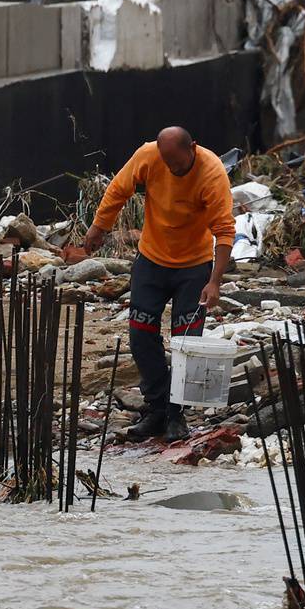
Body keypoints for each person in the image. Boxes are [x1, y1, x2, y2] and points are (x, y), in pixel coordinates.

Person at [75, 127, 234, 442]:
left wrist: (215, 281)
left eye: (177, 162)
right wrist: (98, 227)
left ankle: (176, 415)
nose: (172, 169)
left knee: (186, 343)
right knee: (140, 336)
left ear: (193, 148)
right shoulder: (149, 155)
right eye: (167, 162)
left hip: (194, 267)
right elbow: (119, 189)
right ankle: (157, 407)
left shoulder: (212, 171)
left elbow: (225, 231)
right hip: (152, 261)